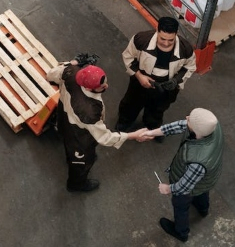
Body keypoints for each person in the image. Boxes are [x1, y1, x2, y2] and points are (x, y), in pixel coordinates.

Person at [46, 57, 152, 192]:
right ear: (89, 88)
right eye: (101, 86)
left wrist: (73, 62)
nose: (106, 86)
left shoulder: (71, 71)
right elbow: (104, 137)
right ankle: (76, 184)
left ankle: (70, 158)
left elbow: (50, 74)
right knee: (81, 162)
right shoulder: (88, 112)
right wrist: (133, 135)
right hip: (79, 135)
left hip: (64, 118)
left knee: (67, 143)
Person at [141, 108, 223, 242]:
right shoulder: (212, 126)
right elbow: (180, 125)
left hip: (191, 183)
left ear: (196, 131)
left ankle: (181, 232)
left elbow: (184, 186)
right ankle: (203, 209)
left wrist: (168, 188)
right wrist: (152, 133)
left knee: (181, 205)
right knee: (202, 191)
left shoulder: (198, 162)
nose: (186, 117)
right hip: (207, 179)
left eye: (189, 119)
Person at [115, 16, 197, 142]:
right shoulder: (141, 40)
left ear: (176, 33)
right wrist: (139, 76)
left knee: (157, 110)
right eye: (162, 38)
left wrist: (176, 80)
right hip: (140, 84)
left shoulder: (185, 49)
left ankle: (152, 128)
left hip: (166, 88)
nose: (166, 43)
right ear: (157, 30)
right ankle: (124, 123)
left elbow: (189, 67)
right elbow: (128, 57)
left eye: (170, 40)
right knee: (130, 104)